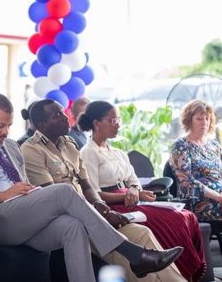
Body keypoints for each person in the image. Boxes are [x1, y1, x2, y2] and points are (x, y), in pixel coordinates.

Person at [0, 93, 183, 282]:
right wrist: (0, 196)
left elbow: (25, 186)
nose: (5, 132)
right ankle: (133, 254)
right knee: (64, 191)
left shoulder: (12, 147)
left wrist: (29, 192)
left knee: (73, 227)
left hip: (24, 213)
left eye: (9, 126)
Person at [21, 99, 185, 282]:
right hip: (66, 219)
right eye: (57, 115)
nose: (65, 117)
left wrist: (100, 206)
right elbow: (54, 200)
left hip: (89, 211)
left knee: (142, 232)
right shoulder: (31, 150)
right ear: (42, 124)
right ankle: (138, 258)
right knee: (123, 251)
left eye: (63, 112)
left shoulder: (69, 144)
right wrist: (100, 215)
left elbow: (86, 185)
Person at [78, 100, 206, 281]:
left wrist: (133, 190)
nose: (118, 124)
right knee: (169, 222)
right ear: (97, 124)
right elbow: (94, 194)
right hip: (112, 206)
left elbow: (134, 181)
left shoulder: (118, 152)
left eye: (118, 119)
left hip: (131, 200)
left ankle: (185, 272)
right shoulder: (88, 152)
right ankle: (174, 272)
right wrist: (128, 196)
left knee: (185, 215)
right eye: (113, 120)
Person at [170, 100, 222, 221]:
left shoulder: (214, 145)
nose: (204, 123)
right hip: (197, 199)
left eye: (207, 119)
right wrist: (218, 197)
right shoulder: (180, 145)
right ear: (189, 120)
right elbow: (187, 181)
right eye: (199, 119)